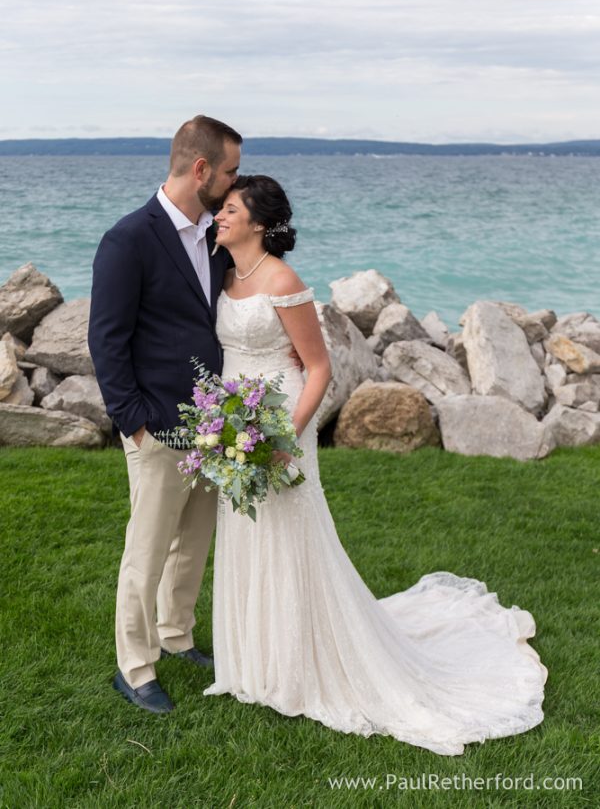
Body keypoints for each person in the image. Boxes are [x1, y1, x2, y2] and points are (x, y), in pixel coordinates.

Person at [204, 174, 548, 755]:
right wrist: (222, 419)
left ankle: (300, 661)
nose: (219, 216)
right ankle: (253, 660)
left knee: (290, 530)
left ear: (259, 223)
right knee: (245, 525)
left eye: (230, 209)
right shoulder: (226, 274)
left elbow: (318, 367)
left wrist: (287, 434)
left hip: (282, 418)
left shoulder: (284, 280)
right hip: (235, 417)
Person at [88, 115, 242, 714]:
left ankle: (177, 636)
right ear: (200, 169)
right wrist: (133, 421)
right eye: (230, 171)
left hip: (211, 424)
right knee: (146, 549)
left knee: (194, 539)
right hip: (155, 423)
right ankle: (134, 666)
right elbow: (107, 340)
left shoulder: (214, 233)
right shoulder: (129, 239)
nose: (236, 184)